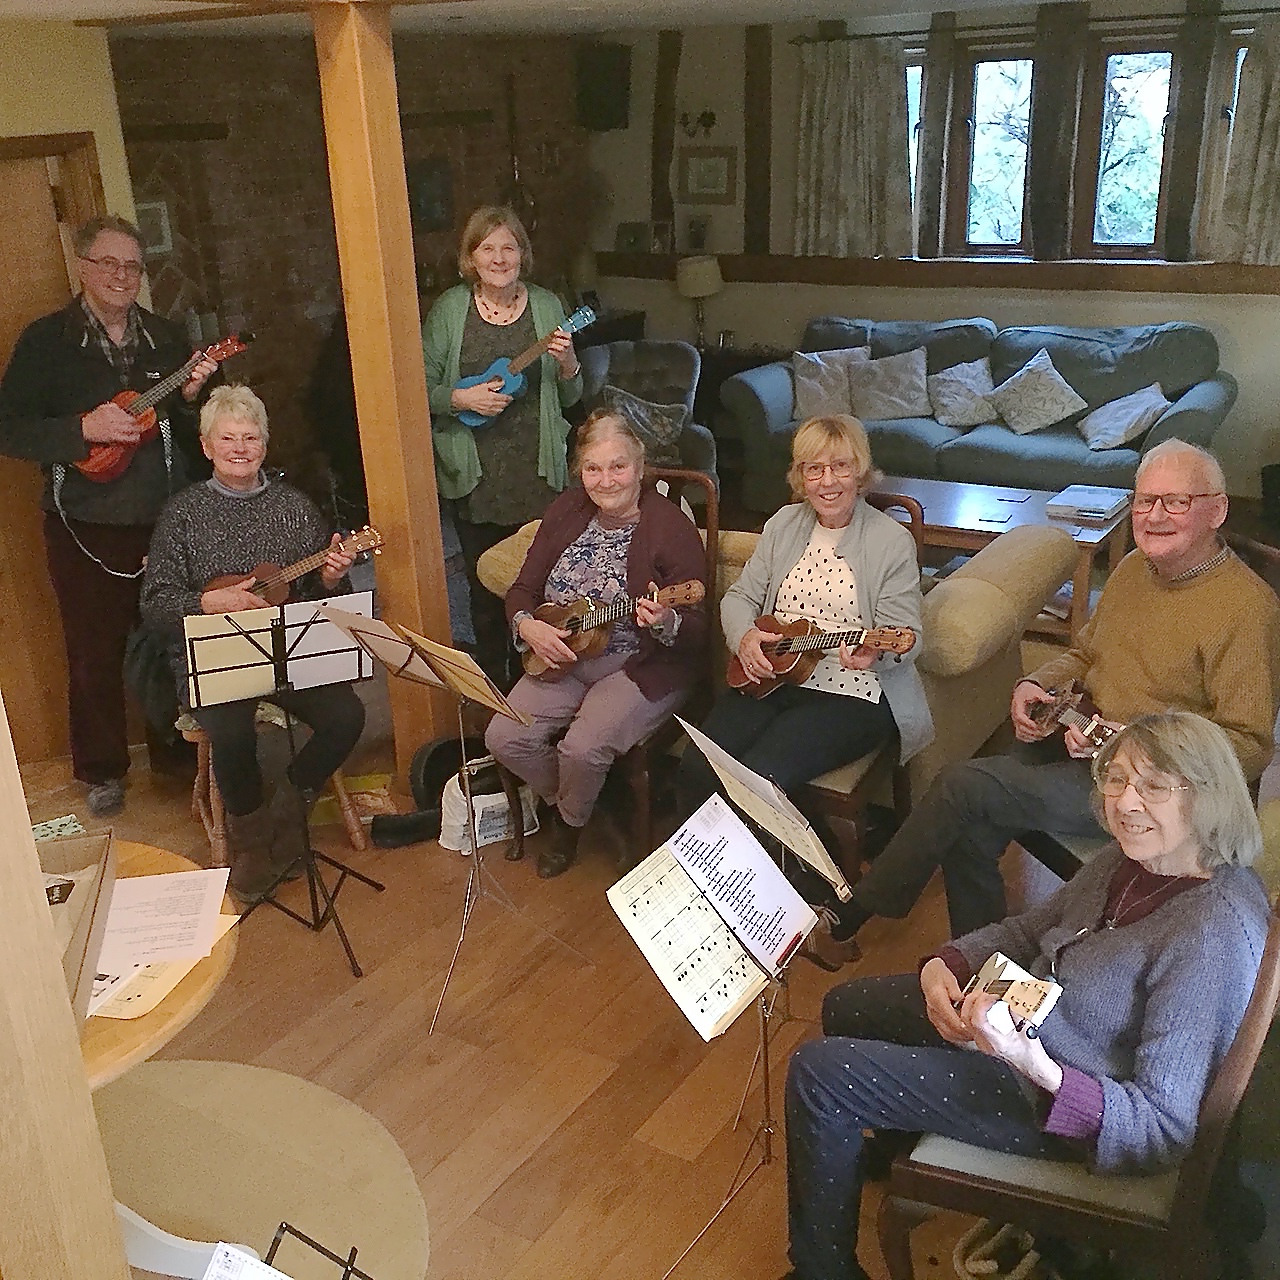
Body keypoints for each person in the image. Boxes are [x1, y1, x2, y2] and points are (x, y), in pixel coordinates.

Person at [782, 711, 1271, 1280]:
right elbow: (1032, 929)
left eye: (1154, 786)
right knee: (847, 1006)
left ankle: (822, 1271)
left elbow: (1162, 1130)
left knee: (820, 1074)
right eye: (1116, 778)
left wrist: (1038, 1068)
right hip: (1024, 1023)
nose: (1125, 801)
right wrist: (947, 962)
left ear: (1208, 796)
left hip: (1059, 1104)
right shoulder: (1134, 859)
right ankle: (893, 1137)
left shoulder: (1209, 936)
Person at [804, 438, 1280, 968]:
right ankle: (980, 970)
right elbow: (1085, 653)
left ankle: (850, 917)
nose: (1154, 516)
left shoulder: (1247, 609)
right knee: (971, 821)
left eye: (1176, 501)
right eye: (1145, 500)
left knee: (964, 786)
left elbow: (1250, 745)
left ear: (1217, 510)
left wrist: (1142, 750)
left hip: (1150, 791)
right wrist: (1036, 682)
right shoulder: (1132, 570)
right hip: (1083, 743)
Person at [677, 414, 931, 951]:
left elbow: (907, 634)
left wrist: (876, 652)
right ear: (799, 475)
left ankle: (794, 907)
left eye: (840, 466)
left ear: (861, 471)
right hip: (775, 676)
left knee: (762, 777)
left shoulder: (890, 541)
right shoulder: (783, 525)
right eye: (814, 469)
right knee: (697, 763)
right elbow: (740, 597)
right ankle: (719, 891)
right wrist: (746, 637)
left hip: (854, 693)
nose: (828, 481)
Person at [0, 214, 218, 815]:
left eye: (133, 266)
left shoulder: (166, 339)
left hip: (164, 520)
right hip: (83, 526)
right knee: (93, 651)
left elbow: (201, 433)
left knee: (170, 642)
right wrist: (80, 430)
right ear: (83, 267)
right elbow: (9, 427)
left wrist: (193, 398)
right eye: (109, 264)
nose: (122, 276)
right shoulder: (46, 342)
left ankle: (178, 756)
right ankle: (101, 771)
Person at [141, 386, 366, 904]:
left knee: (346, 715)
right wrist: (208, 601)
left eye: (250, 438)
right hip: (212, 654)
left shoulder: (294, 508)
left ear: (265, 445)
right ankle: (252, 840)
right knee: (230, 730)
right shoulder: (183, 514)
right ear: (206, 446)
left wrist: (332, 578)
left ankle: (285, 817)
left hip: (286, 650)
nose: (240, 448)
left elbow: (322, 599)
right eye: (228, 438)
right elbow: (155, 603)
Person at [486, 410, 707, 879]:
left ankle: (568, 827)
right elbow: (522, 589)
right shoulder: (567, 510)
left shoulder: (670, 527)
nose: (606, 481)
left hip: (641, 662)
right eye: (593, 468)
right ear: (580, 471)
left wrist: (665, 620)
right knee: (503, 736)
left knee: (582, 750)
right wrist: (528, 626)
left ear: (640, 466)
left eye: (618, 466)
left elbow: (697, 629)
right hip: (563, 654)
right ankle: (587, 802)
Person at [422, 205, 583, 682]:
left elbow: (571, 395)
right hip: (475, 474)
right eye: (487, 248)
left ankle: (546, 675)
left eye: (508, 247)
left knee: (545, 581)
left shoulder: (547, 306)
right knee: (484, 586)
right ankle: (497, 683)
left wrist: (569, 361)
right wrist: (459, 398)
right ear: (471, 257)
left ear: (522, 254)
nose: (498, 258)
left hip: (537, 470)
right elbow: (418, 387)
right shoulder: (450, 310)